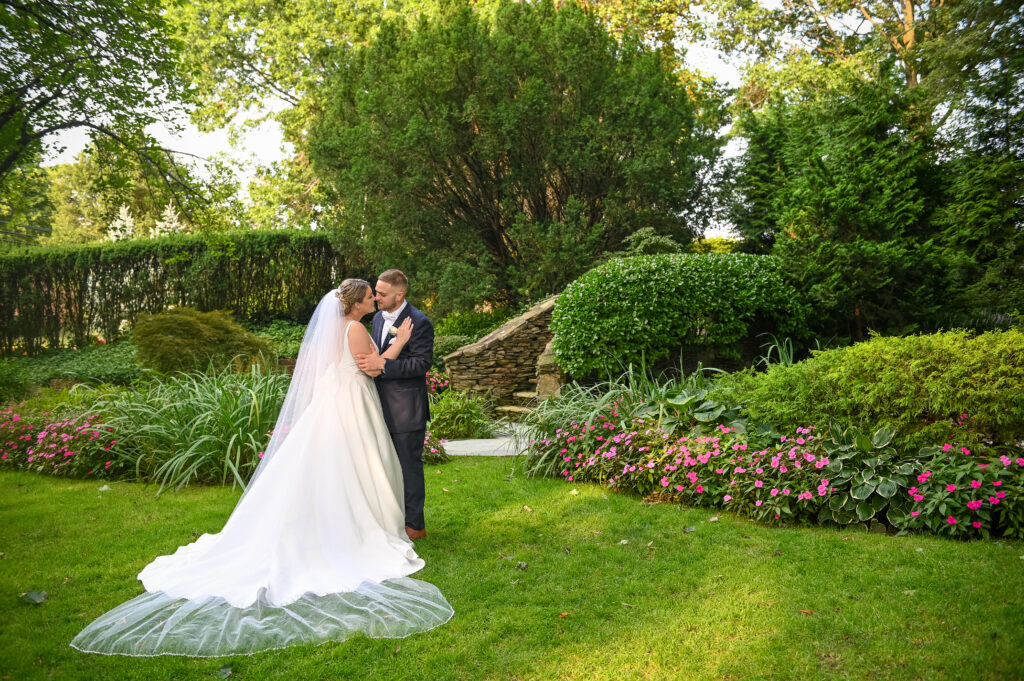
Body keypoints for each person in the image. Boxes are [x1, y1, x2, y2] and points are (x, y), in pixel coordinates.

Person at [70, 280, 453, 657]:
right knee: (353, 465)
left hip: (340, 403)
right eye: (370, 294)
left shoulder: (345, 325)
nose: (374, 297)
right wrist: (399, 343)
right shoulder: (355, 327)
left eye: (378, 292)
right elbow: (370, 369)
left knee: (339, 466)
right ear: (356, 305)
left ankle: (362, 517)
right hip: (351, 404)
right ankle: (361, 523)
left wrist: (397, 346)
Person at [355, 270, 433, 541]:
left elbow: (421, 364)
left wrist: (384, 365)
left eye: (382, 293)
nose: (376, 297)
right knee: (384, 465)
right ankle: (391, 519)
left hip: (406, 409)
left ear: (400, 295)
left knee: (408, 466)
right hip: (377, 404)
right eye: (376, 291)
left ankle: (415, 526)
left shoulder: (420, 322)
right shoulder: (377, 318)